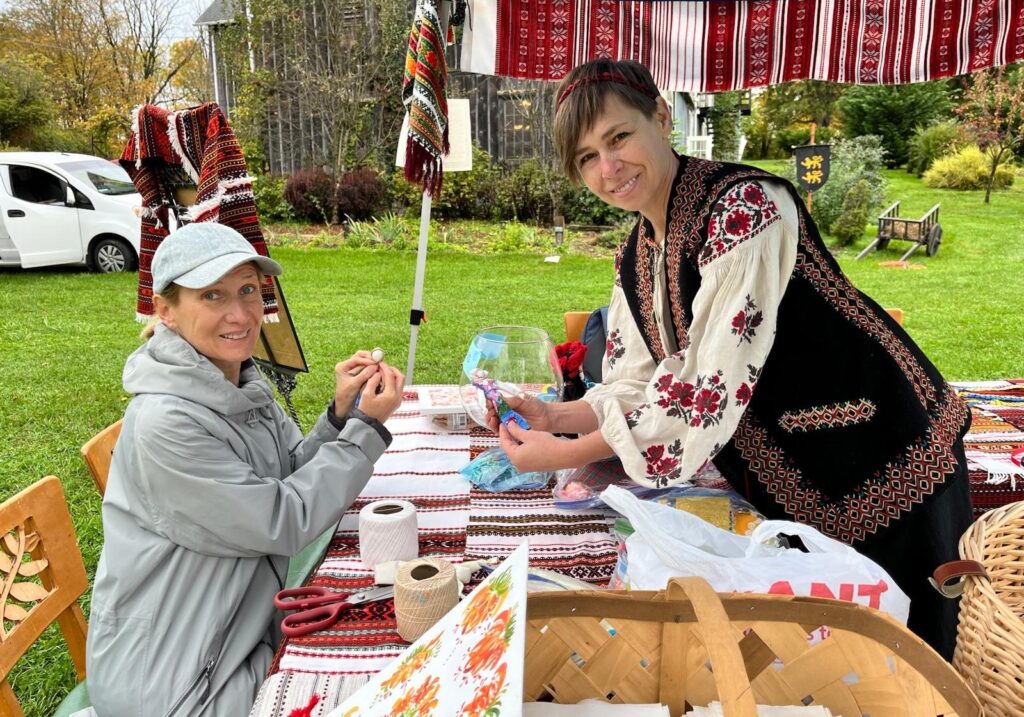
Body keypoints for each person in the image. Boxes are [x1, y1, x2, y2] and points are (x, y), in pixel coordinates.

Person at [492, 59, 972, 659]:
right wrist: (555, 417)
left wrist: (565, 453)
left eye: (619, 137)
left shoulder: (744, 208)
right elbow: (639, 380)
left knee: (907, 650)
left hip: (884, 449)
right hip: (794, 473)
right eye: (587, 156)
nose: (608, 168)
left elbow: (704, 393)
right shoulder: (639, 251)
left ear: (661, 118)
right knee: (826, 658)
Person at [86, 222, 405, 715]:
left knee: (394, 646)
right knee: (385, 679)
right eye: (212, 295)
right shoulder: (165, 423)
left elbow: (289, 473)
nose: (239, 314)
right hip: (180, 684)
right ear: (165, 311)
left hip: (241, 629)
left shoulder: (235, 382)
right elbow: (283, 519)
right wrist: (366, 428)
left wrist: (341, 415)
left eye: (248, 290)